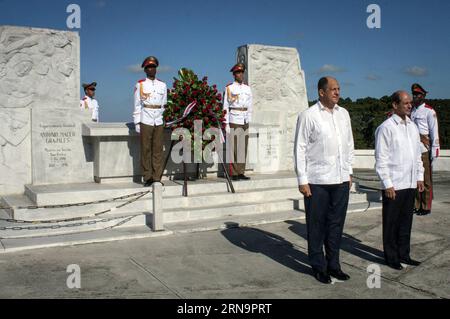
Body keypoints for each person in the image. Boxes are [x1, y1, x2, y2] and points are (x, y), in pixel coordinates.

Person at [294, 76, 354, 284]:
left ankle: (334, 265)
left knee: (336, 225)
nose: (337, 92)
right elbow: (300, 148)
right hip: (317, 181)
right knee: (317, 226)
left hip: (340, 180)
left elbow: (349, 144)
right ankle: (318, 266)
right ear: (321, 92)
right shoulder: (308, 115)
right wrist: (302, 179)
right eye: (333, 89)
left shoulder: (344, 114)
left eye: (338, 89)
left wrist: (349, 172)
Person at [375, 90, 425, 270]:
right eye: (406, 103)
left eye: (410, 103)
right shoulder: (386, 128)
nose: (410, 105)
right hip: (395, 184)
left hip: (410, 183)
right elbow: (381, 160)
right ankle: (391, 257)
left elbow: (417, 155)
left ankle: (404, 254)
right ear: (395, 105)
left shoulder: (412, 126)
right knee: (391, 223)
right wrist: (387, 184)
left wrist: (419, 177)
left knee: (405, 222)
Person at [133, 56, 167, 187]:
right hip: (145, 118)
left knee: (158, 149)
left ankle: (157, 177)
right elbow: (137, 105)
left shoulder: (162, 85)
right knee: (146, 149)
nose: (151, 69)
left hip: (158, 119)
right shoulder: (140, 84)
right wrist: (137, 122)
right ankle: (147, 177)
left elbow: (164, 104)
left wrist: (163, 119)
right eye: (149, 67)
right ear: (145, 70)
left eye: (153, 67)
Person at [410, 83, 440, 216]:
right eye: (414, 94)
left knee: (426, 180)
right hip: (413, 148)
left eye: (418, 95)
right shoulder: (412, 110)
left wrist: (435, 151)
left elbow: (435, 133)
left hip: (424, 148)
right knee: (416, 177)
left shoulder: (429, 111)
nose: (416, 96)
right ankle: (416, 204)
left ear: (424, 96)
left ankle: (426, 206)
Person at [223, 63, 253, 181]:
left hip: (244, 118)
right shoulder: (230, 88)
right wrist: (226, 123)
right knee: (234, 147)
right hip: (234, 118)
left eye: (242, 72)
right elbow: (225, 106)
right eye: (238, 73)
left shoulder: (247, 88)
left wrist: (249, 119)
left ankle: (241, 171)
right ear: (234, 75)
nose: (241, 75)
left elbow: (250, 105)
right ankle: (234, 172)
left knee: (243, 147)